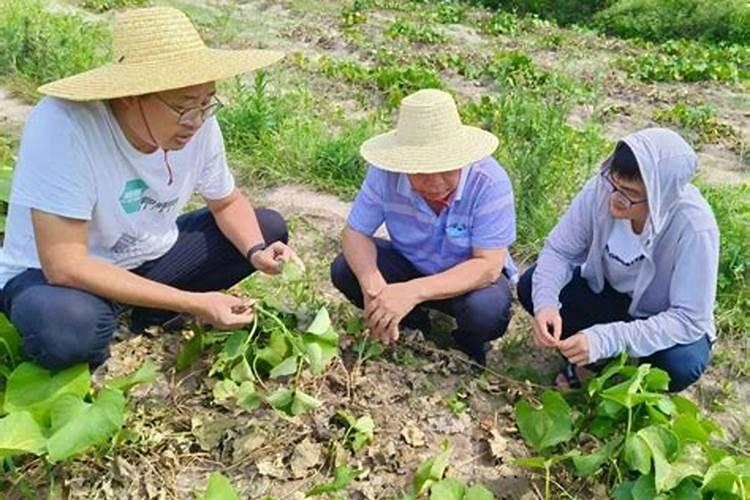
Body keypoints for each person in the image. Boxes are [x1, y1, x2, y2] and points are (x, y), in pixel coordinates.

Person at [0, 7, 298, 370]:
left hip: (144, 259)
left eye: (207, 102)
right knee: (68, 329)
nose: (197, 120)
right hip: (55, 277)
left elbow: (226, 202)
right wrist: (194, 302)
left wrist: (256, 252)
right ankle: (120, 316)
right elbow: (65, 265)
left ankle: (142, 309)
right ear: (131, 96)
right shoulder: (65, 126)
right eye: (184, 106)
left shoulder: (199, 124)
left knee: (266, 227)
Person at [517, 128, 718, 392]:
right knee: (532, 284)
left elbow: (688, 318)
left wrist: (605, 339)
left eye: (628, 192)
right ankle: (595, 363)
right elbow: (559, 251)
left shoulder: (694, 227)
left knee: (681, 364)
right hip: (608, 296)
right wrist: (546, 304)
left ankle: (632, 382)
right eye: (614, 183)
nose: (614, 198)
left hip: (661, 315)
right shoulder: (602, 189)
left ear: (660, 197)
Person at [330, 89, 517, 366]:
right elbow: (355, 233)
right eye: (422, 173)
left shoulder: (490, 182)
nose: (436, 183)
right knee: (346, 269)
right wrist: (375, 289)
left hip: (466, 280)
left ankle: (466, 344)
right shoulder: (385, 174)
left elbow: (487, 266)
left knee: (486, 311)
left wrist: (412, 291)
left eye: (447, 170)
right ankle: (411, 322)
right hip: (411, 262)